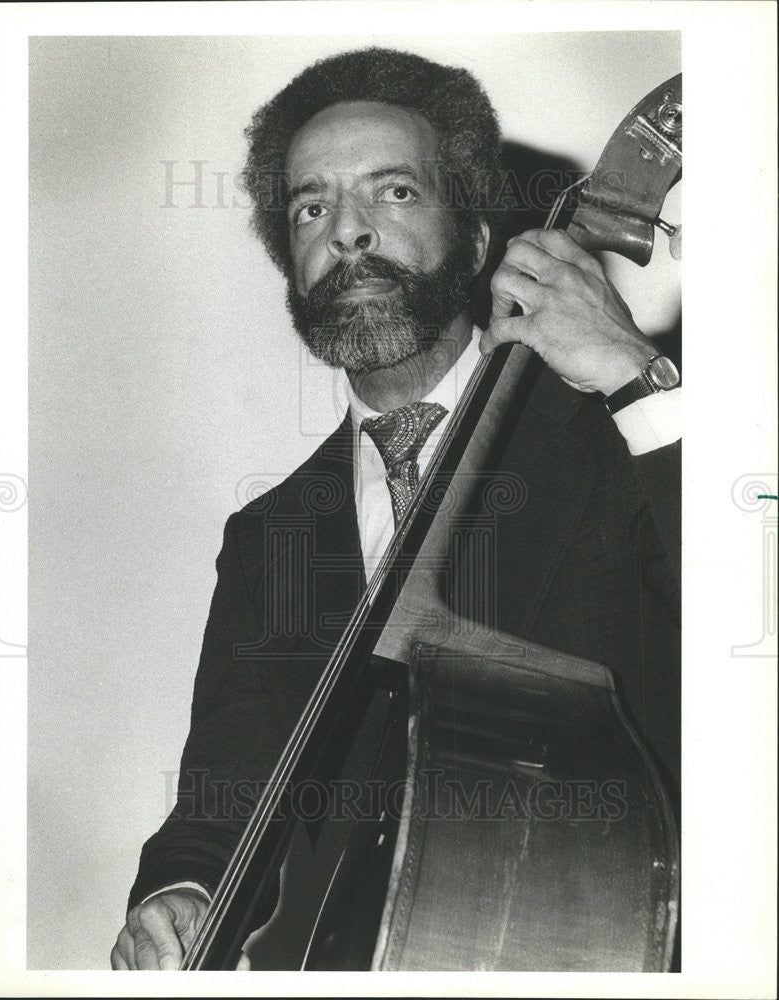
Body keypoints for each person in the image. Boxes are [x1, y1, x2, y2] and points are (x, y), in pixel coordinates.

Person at [111, 47, 680, 971]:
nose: (348, 234)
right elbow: (222, 794)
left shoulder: (628, 433)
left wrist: (630, 372)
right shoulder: (272, 537)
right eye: (311, 207)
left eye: (395, 195)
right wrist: (181, 889)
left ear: (477, 238)